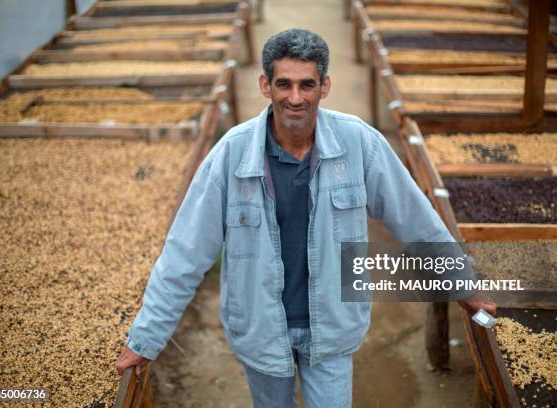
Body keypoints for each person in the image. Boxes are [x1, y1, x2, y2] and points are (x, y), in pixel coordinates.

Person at [115, 28, 495, 407]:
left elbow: (416, 220)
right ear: (265, 85)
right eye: (284, 84)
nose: (294, 98)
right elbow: (186, 251)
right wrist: (147, 340)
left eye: (306, 85)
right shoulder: (231, 155)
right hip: (261, 330)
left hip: (331, 327)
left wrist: (465, 284)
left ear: (324, 86)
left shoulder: (359, 144)